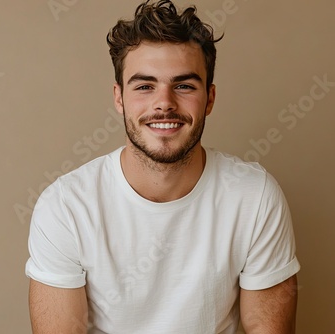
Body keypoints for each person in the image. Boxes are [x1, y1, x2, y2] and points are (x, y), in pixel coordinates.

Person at [25, 1, 300, 333]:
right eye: (144, 86)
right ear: (119, 97)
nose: (164, 103)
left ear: (209, 98)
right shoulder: (65, 206)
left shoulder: (255, 197)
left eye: (184, 86)